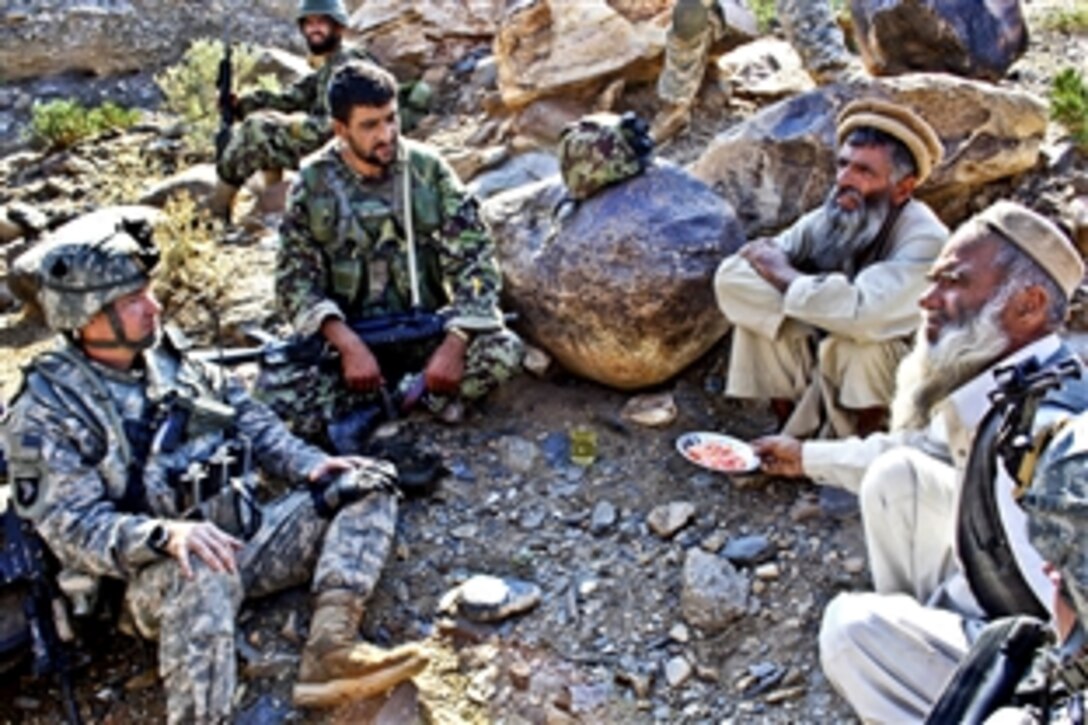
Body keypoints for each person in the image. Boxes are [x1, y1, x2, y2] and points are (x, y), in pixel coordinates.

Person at [0, 220, 427, 723]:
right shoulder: (46, 409)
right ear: (87, 315)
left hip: (240, 537)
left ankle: (330, 651)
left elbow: (252, 421)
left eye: (148, 291)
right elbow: (72, 530)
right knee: (200, 569)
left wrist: (311, 464)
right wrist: (166, 536)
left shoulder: (169, 357)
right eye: (133, 299)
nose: (154, 306)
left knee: (365, 482)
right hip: (151, 582)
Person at [752, 200, 1087, 722]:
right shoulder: (1004, 385)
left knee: (850, 630)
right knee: (898, 478)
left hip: (1059, 673)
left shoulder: (1056, 433)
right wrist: (805, 457)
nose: (927, 301)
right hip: (1010, 605)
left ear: (1028, 304)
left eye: (953, 282)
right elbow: (907, 452)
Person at [267, 59, 523, 449]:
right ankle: (416, 399)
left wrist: (454, 344)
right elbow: (293, 282)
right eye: (370, 125)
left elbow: (476, 259)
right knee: (274, 392)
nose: (386, 134)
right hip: (351, 342)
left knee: (503, 351)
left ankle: (397, 399)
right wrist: (348, 346)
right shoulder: (312, 184)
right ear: (340, 130)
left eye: (391, 119)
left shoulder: (427, 169)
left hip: (425, 336)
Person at [714, 98, 948, 441]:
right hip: (830, 340)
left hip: (899, 371)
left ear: (903, 188)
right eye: (843, 165)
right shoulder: (836, 214)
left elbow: (866, 317)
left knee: (859, 347)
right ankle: (788, 436)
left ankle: (858, 453)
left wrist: (787, 278)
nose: (844, 180)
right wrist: (825, 308)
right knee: (758, 319)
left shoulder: (927, 239)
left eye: (864, 171)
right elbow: (736, 273)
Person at [210, 0, 377, 216]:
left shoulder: (350, 64)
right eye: (309, 23)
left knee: (258, 130)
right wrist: (241, 105)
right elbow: (291, 99)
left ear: (338, 25)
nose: (314, 29)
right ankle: (272, 207)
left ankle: (216, 212)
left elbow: (343, 124)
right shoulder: (330, 65)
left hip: (349, 149)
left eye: (322, 22)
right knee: (267, 125)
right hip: (334, 144)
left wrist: (285, 125)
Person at [652, 0, 864, 141]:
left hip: (752, 15)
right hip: (725, 11)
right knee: (689, 11)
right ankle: (676, 106)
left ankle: (831, 72)